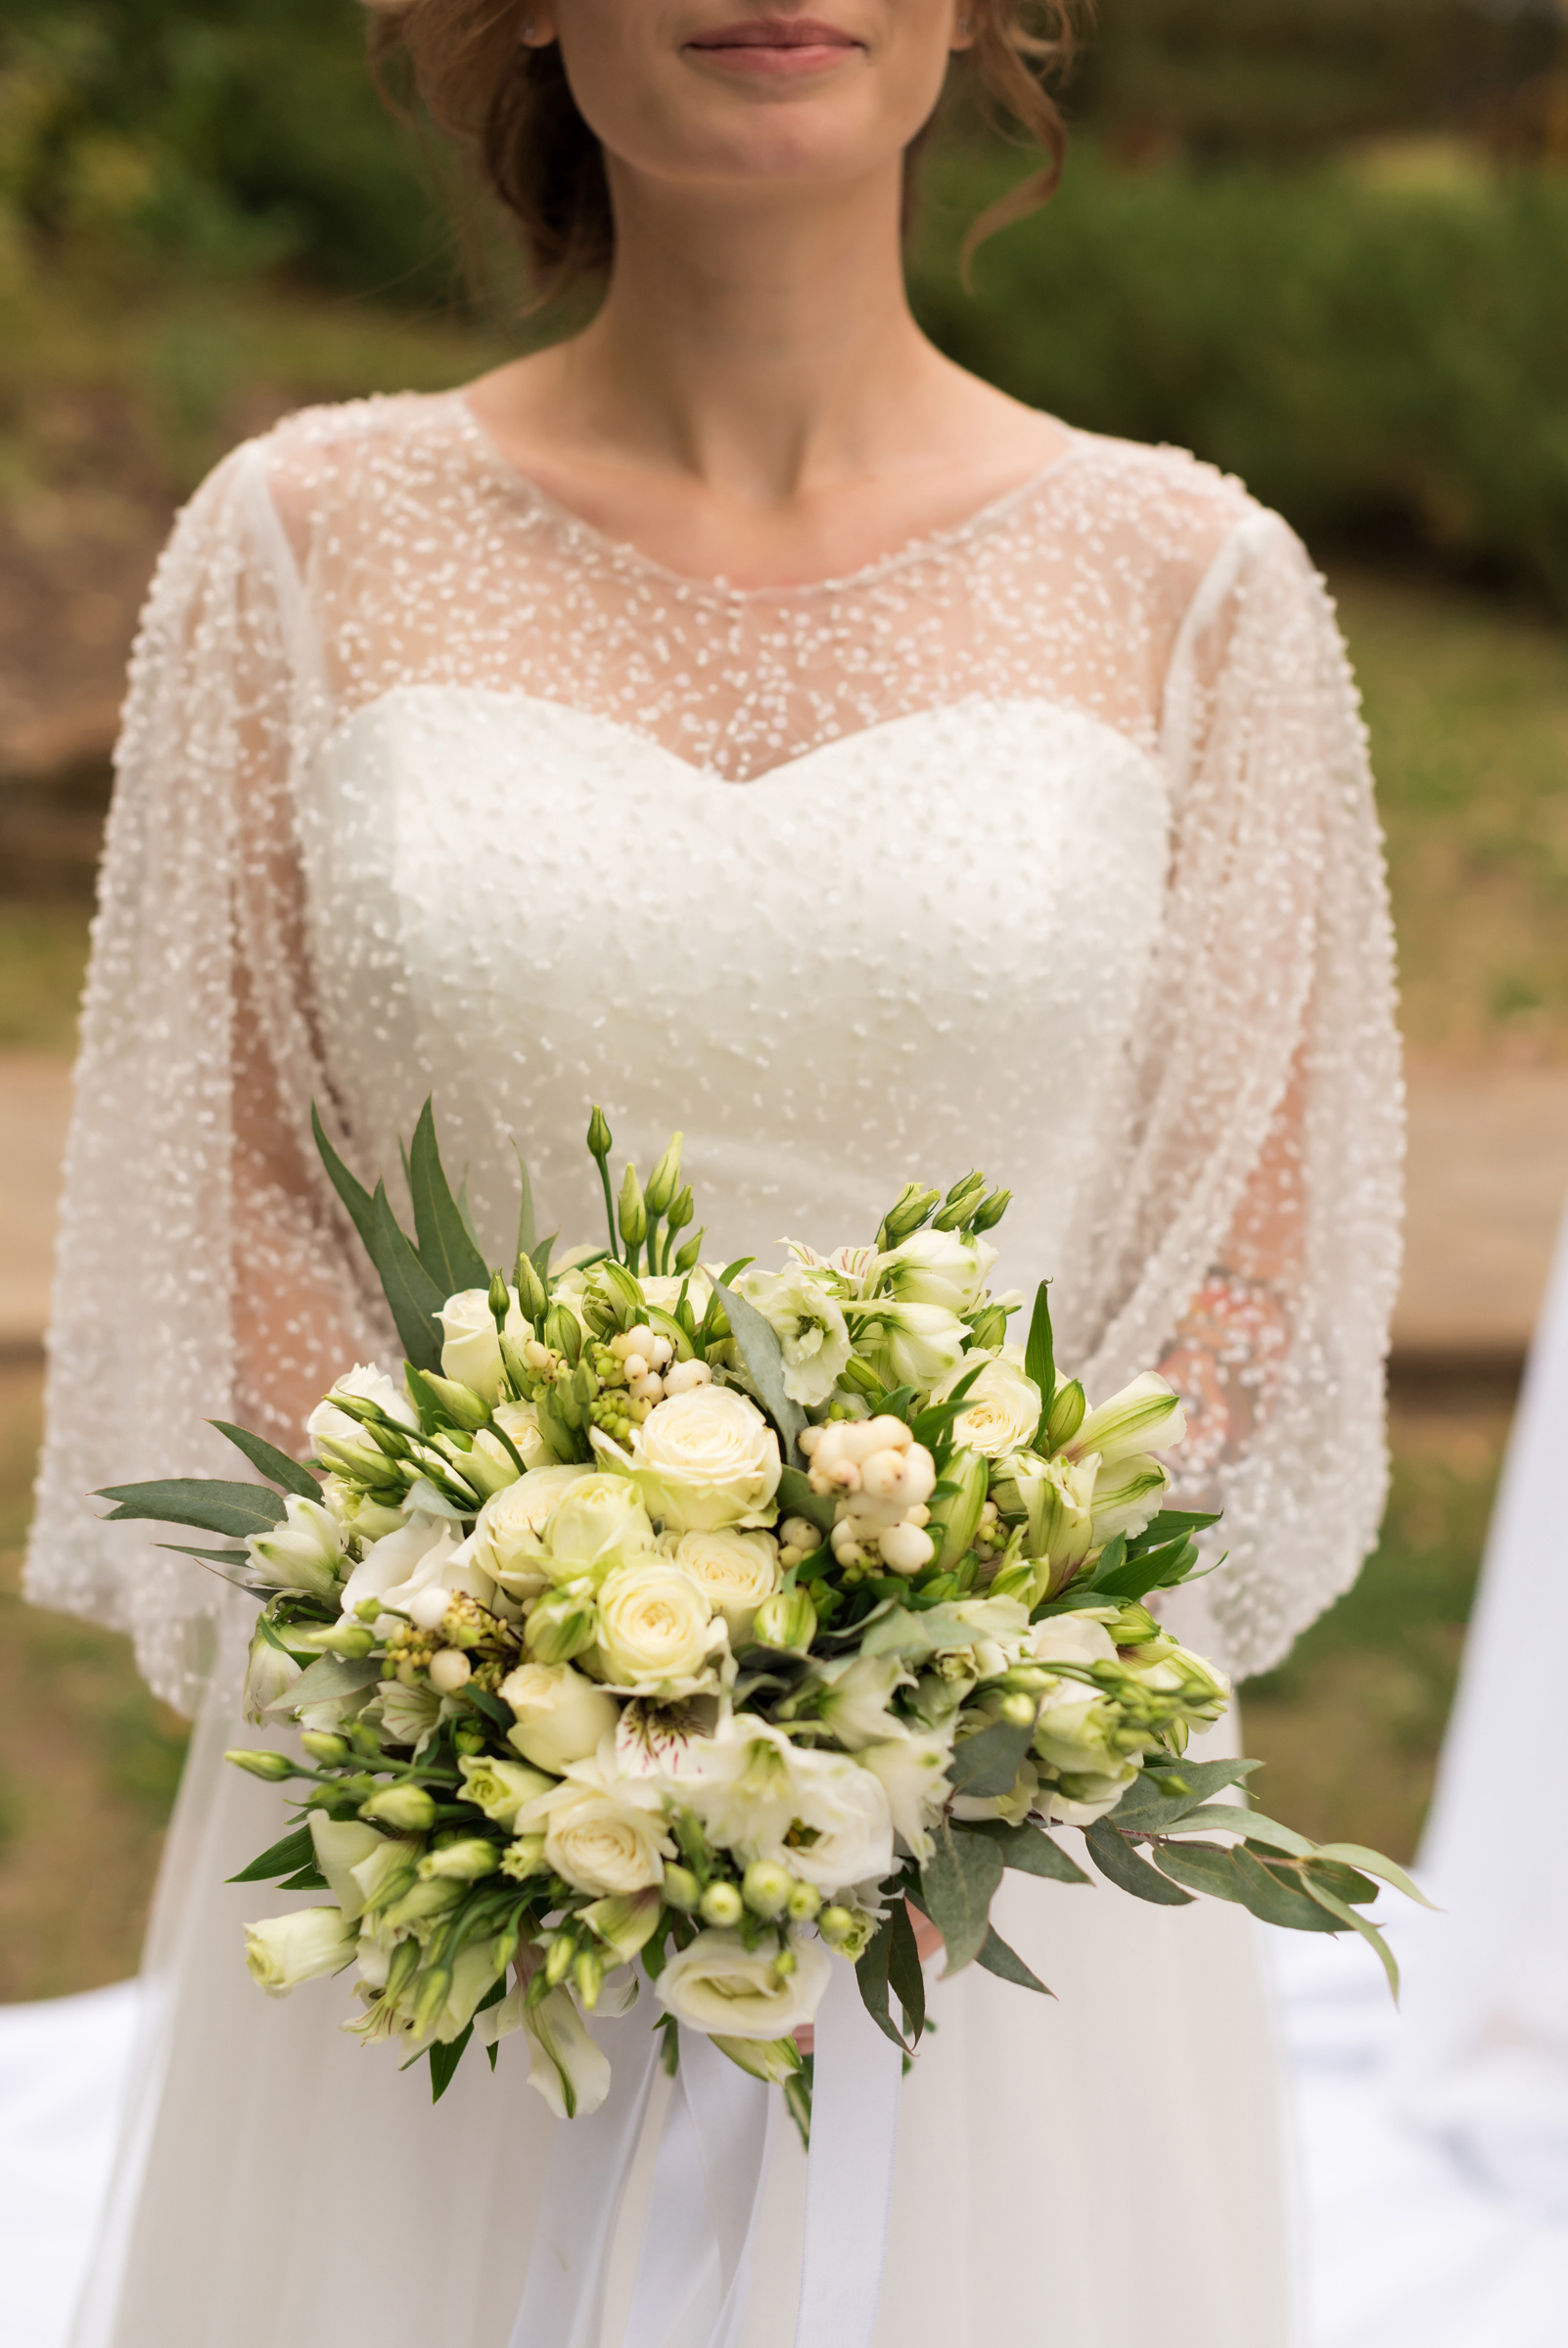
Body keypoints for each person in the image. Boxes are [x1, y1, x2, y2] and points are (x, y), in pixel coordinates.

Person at [23, 5, 1402, 2344]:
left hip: (991, 1866)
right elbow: (233, 1179)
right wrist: (487, 1656)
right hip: (456, 1818)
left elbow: (1242, 1276)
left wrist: (925, 1682)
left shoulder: (1198, 588)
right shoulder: (297, 543)